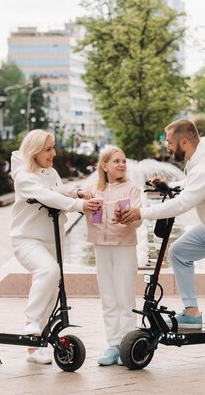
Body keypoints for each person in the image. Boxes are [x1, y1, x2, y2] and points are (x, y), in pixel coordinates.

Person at [118, 119, 205, 370]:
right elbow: (191, 186)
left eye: (170, 142)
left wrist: (142, 212)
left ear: (184, 141)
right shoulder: (200, 160)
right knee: (180, 252)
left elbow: (185, 203)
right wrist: (169, 186)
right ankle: (192, 314)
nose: (168, 147)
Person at [10, 129, 100, 365]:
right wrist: (79, 204)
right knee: (48, 271)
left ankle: (35, 346)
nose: (54, 153)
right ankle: (31, 321)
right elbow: (47, 196)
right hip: (27, 239)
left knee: (53, 285)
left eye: (53, 148)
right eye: (48, 149)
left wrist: (76, 192)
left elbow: (58, 190)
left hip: (52, 240)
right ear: (35, 150)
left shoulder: (50, 172)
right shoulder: (24, 177)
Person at [83, 147, 141, 366]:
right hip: (101, 247)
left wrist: (127, 218)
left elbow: (138, 219)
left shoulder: (131, 189)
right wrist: (82, 198)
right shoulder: (93, 189)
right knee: (108, 298)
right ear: (104, 166)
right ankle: (112, 345)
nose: (122, 165)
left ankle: (127, 345)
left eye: (124, 161)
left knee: (125, 297)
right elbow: (70, 195)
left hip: (124, 246)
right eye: (116, 161)